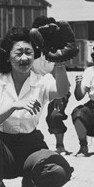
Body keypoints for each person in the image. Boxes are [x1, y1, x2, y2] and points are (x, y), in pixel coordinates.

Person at [0, 27, 74, 187]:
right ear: (8, 56)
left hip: (31, 145)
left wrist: (60, 63)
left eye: (29, 52)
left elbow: (61, 91)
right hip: (3, 148)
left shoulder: (42, 81)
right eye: (18, 53)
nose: (24, 58)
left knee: (60, 171)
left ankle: (32, 186)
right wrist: (14, 106)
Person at [31, 16, 71, 155]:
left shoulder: (55, 49)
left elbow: (57, 73)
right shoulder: (31, 50)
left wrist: (59, 96)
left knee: (55, 115)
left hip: (56, 85)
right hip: (36, 87)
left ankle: (60, 145)